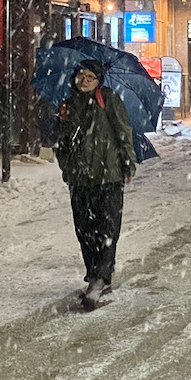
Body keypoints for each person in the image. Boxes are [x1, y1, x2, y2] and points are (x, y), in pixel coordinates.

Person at [53, 59, 136, 309]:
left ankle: (100, 279)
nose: (85, 80)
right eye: (81, 75)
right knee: (84, 230)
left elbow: (123, 131)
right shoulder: (67, 105)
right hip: (79, 179)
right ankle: (95, 274)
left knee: (107, 229)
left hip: (108, 176)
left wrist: (127, 163)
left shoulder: (108, 99)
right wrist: (66, 167)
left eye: (91, 76)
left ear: (99, 80)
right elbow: (60, 142)